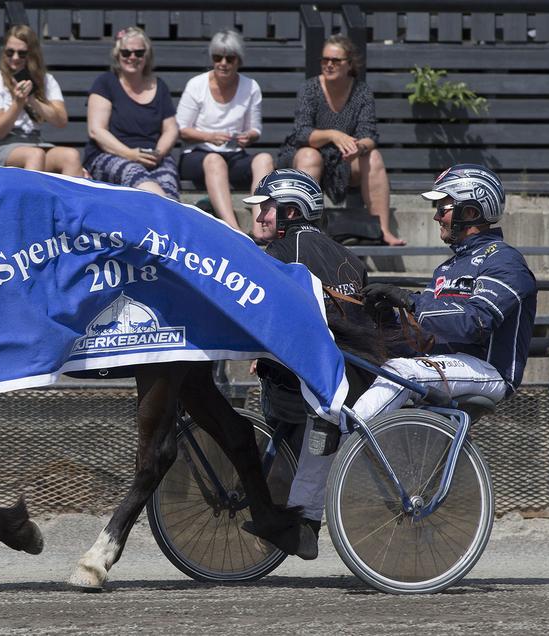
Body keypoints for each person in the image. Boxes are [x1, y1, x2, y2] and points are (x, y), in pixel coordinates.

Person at [281, 164, 538, 560]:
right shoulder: (450, 266)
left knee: (396, 374)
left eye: (445, 207)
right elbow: (429, 325)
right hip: (440, 366)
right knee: (331, 401)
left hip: (487, 371)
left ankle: (353, 439)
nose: (437, 215)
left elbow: (475, 323)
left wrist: (411, 302)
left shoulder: (504, 262)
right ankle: (301, 520)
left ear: (472, 210)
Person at [240, 168, 371, 559]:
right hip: (356, 374)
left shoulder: (282, 254)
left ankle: (297, 520)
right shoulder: (348, 254)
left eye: (267, 207)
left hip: (322, 384)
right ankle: (299, 517)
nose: (260, 216)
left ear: (292, 213)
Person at [276, 35, 404, 246]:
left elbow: (369, 135)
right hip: (304, 156)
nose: (329, 64)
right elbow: (302, 133)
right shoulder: (310, 88)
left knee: (373, 157)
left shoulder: (361, 92)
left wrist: (359, 148)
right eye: (325, 60)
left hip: (343, 159)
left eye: (335, 61)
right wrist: (333, 135)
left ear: (350, 64)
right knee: (310, 156)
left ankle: (380, 229)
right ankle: (302, 231)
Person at [176, 29, 274, 231]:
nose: (223, 63)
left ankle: (259, 224)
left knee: (264, 159)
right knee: (214, 160)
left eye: (229, 58)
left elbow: (255, 128)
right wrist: (210, 136)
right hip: (197, 155)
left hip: (234, 154)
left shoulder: (251, 86)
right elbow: (181, 129)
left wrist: (249, 136)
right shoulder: (196, 85)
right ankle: (234, 229)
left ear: (239, 60)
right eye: (217, 57)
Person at [84, 27, 179, 200]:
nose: (132, 57)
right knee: (136, 175)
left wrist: (158, 153)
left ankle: (167, 220)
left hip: (153, 156)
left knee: (168, 184)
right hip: (110, 155)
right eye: (126, 52)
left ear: (147, 56)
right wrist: (130, 154)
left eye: (138, 53)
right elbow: (96, 130)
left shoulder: (160, 86)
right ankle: (168, 219)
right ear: (117, 54)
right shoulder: (105, 83)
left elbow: (171, 129)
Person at [0, 25, 82, 176]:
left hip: (35, 142)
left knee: (71, 156)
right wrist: (18, 103)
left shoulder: (46, 80)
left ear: (32, 54)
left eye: (22, 53)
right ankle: (28, 200)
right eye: (10, 52)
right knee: (35, 155)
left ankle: (68, 200)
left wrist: (32, 100)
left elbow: (61, 121)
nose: (15, 58)